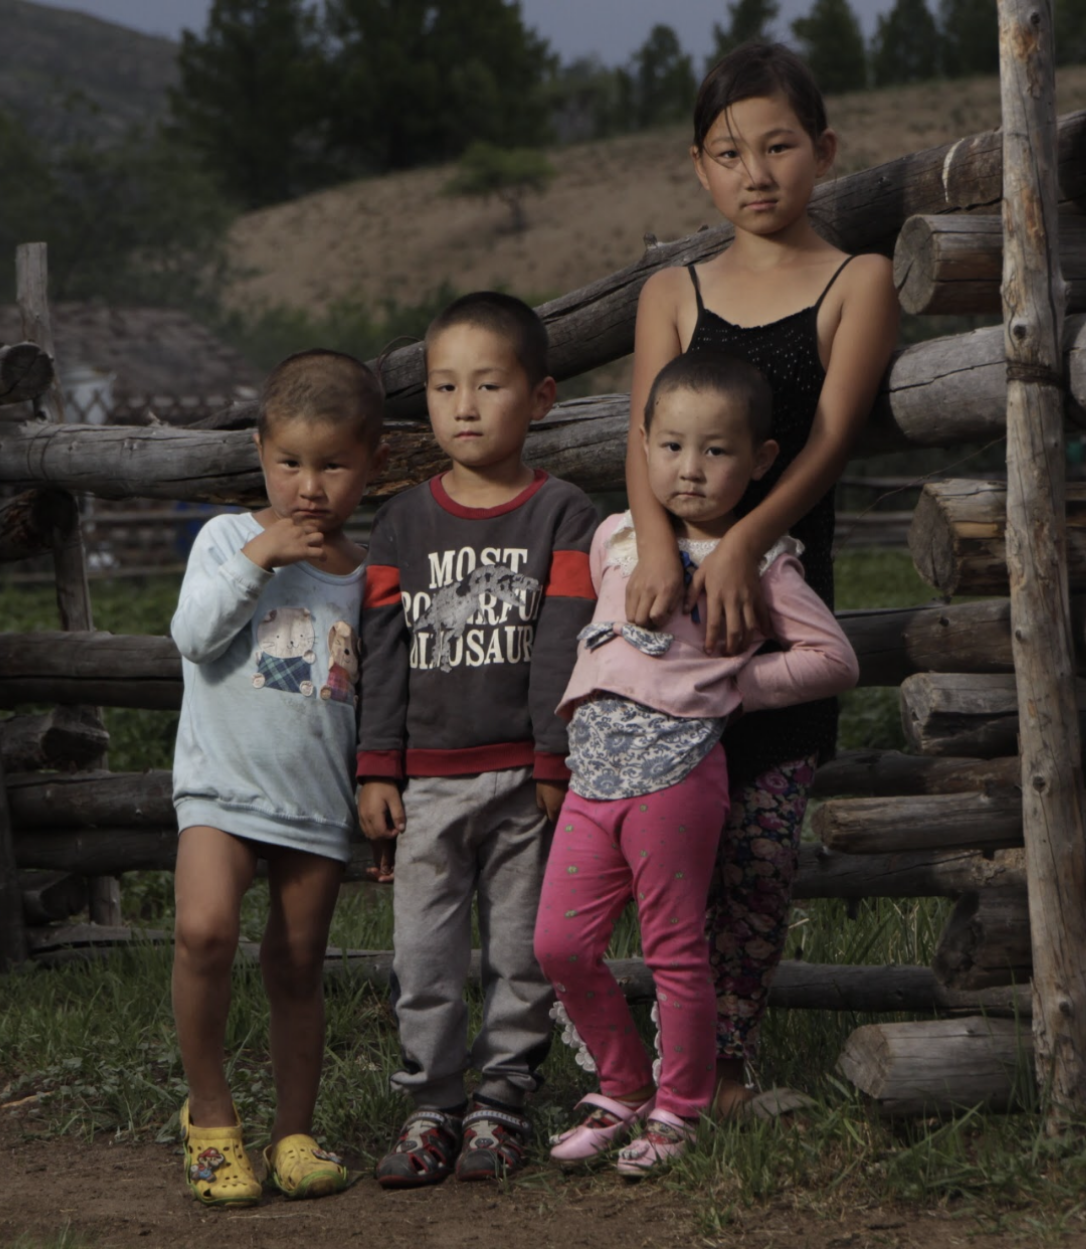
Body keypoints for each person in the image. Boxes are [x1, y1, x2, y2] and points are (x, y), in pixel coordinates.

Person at [622, 41, 900, 1116]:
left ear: (823, 150)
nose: (756, 172)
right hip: (671, 622)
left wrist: (743, 542)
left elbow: (827, 441)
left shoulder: (855, 281)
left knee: (759, 845)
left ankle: (725, 1063)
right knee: (666, 842)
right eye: (730, 153)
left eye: (779, 146)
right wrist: (659, 550)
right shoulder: (672, 292)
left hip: (778, 605)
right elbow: (644, 440)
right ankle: (661, 1059)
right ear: (699, 167)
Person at [534, 352, 860, 1174]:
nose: (690, 468)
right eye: (673, 446)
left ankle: (680, 1105)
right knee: (559, 943)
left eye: (716, 451)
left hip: (679, 774)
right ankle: (622, 1085)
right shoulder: (614, 537)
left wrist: (731, 686)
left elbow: (833, 658)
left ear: (761, 460)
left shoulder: (765, 562)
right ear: (642, 445)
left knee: (674, 949)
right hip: (593, 768)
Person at [357, 291, 600, 1187]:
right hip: (424, 783)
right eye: (444, 386)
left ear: (539, 397)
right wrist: (376, 766)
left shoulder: (563, 513)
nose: (464, 406)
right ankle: (431, 1103)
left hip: (524, 780)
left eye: (488, 385)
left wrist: (553, 757)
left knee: (521, 951)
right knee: (422, 953)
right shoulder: (401, 520)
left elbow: (564, 643)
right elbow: (382, 654)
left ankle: (502, 1103)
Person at [169, 349, 388, 1207]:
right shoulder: (227, 539)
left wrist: (381, 787)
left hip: (314, 802)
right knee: (204, 932)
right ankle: (211, 1118)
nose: (310, 487)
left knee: (298, 963)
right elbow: (194, 635)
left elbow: (381, 697)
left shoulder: (369, 575)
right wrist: (261, 553)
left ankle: (294, 1132)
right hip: (221, 789)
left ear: (372, 462)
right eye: (290, 462)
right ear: (261, 450)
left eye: (333, 464)